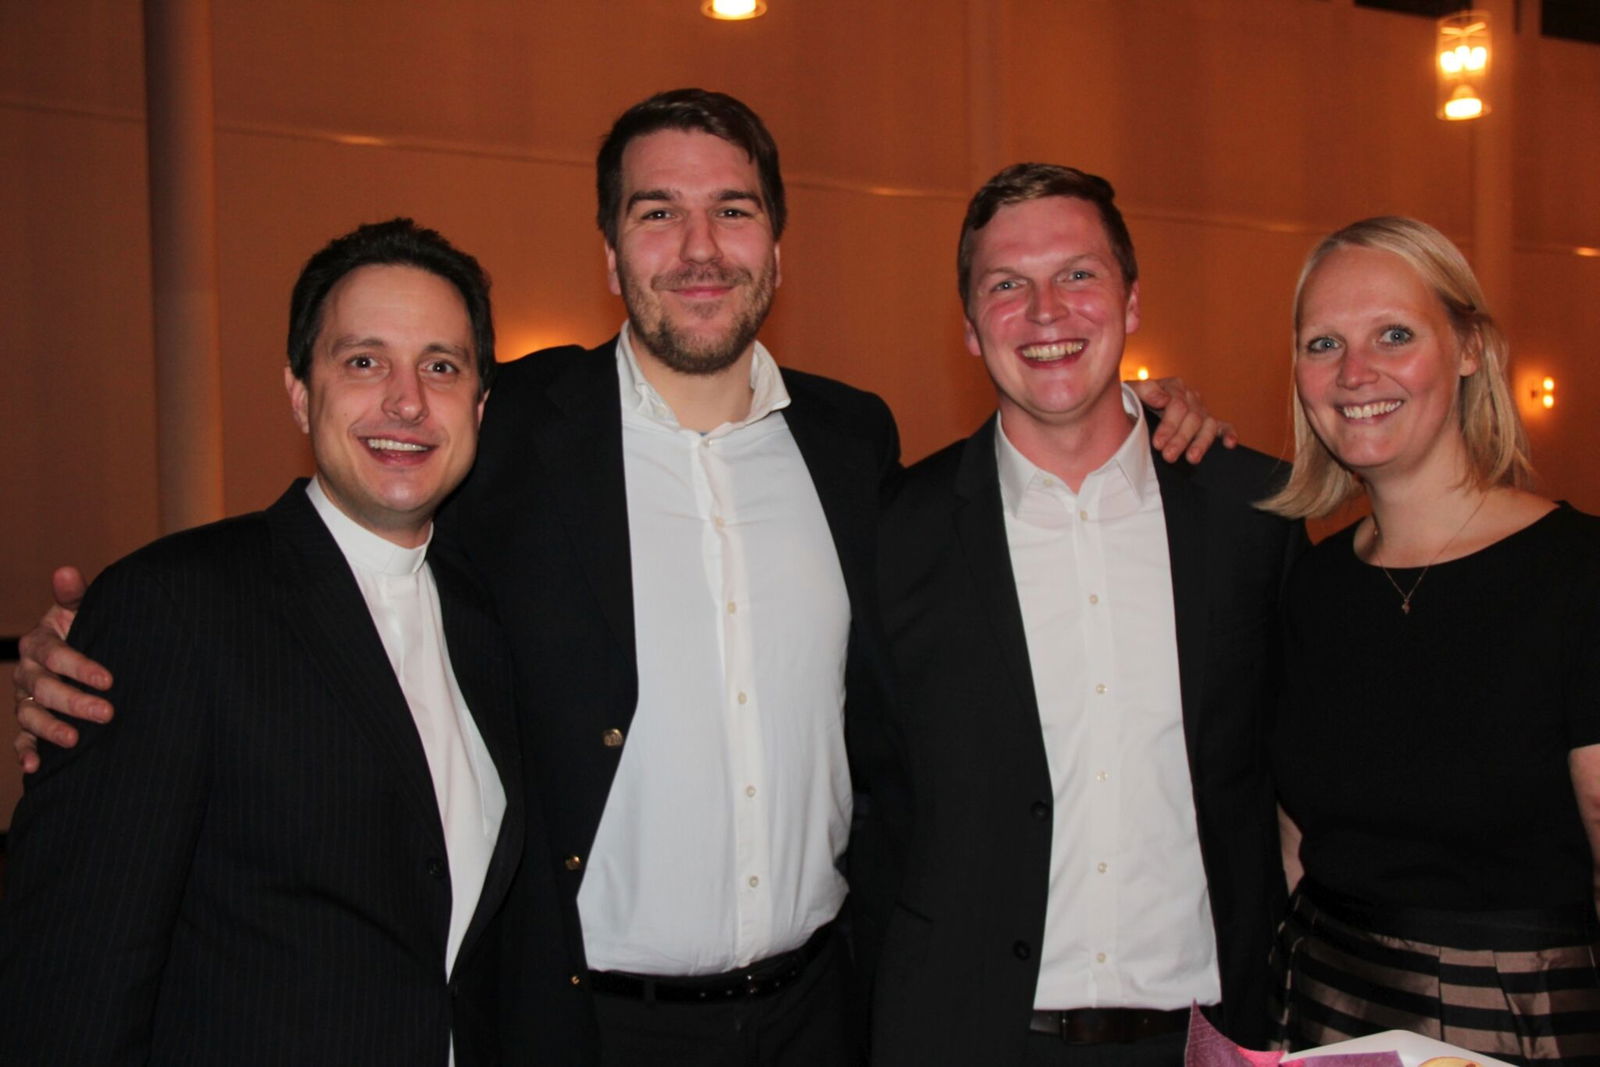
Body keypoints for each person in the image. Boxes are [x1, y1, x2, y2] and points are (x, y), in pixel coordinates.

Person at [10, 91, 1225, 1066]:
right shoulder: (508, 431)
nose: (698, 248)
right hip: (585, 1022)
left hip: (822, 1012)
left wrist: (1142, 414)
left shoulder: (853, 442)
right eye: (657, 213)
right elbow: (343, 546)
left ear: (777, 248)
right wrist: (121, 643)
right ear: (609, 253)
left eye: (731, 211)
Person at [0, 219, 541, 1065]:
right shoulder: (174, 605)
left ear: (477, 405)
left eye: (441, 366)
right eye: (363, 362)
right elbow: (73, 974)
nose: (406, 400)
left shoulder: (490, 618)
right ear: (298, 392)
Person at [870, 163, 1304, 1067]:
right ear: (968, 325)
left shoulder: (1254, 512)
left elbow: (1295, 777)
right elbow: (870, 799)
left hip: (1210, 1037)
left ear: (1131, 299)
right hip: (970, 1039)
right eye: (1006, 285)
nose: (1046, 311)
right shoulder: (896, 530)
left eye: (1077, 274)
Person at [1263, 216, 1600, 1065]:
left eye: (1394, 334)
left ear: (1470, 348)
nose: (1355, 372)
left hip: (1516, 1024)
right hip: (1322, 1013)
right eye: (1324, 343)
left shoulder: (1579, 571)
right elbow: (1302, 844)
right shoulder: (1313, 583)